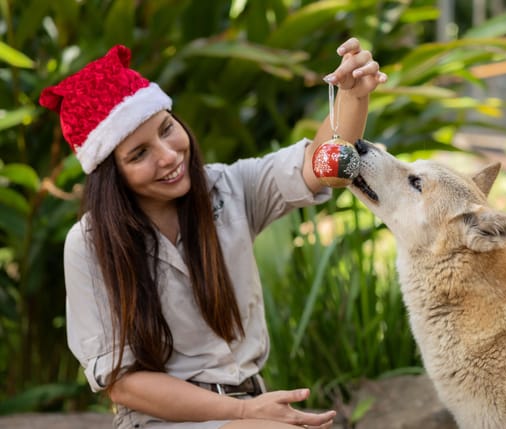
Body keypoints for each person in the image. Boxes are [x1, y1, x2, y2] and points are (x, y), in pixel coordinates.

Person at [39, 38, 387, 429]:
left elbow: (323, 164)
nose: (168, 155)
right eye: (139, 154)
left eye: (167, 129)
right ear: (111, 176)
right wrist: (243, 412)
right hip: (164, 421)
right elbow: (124, 385)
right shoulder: (89, 245)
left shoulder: (229, 188)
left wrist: (353, 95)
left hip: (254, 409)